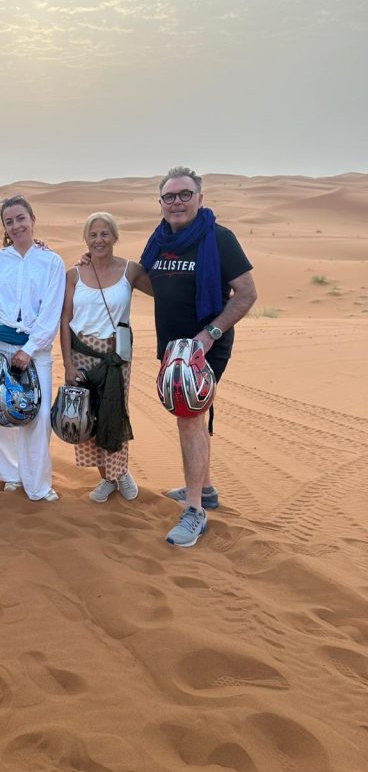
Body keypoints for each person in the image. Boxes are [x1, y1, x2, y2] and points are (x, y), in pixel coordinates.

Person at [141, 166, 256, 546]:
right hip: (172, 345)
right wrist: (97, 261)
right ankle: (204, 489)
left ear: (200, 199)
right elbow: (150, 281)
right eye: (169, 196)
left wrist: (209, 336)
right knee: (191, 415)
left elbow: (246, 293)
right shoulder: (159, 240)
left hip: (206, 345)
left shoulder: (219, 238)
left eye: (185, 194)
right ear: (161, 203)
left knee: (189, 416)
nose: (177, 202)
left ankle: (194, 511)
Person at [0, 196, 66, 501]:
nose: (16, 226)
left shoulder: (52, 262)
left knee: (37, 416)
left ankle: (37, 485)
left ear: (32, 219)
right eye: (9, 221)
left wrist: (29, 348)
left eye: (20, 219)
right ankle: (10, 475)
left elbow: (51, 311)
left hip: (36, 350)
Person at [60, 212, 152, 504]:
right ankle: (106, 478)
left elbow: (163, 289)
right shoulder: (74, 274)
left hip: (116, 358)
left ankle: (120, 472)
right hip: (81, 354)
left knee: (114, 414)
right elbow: (65, 320)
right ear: (86, 239)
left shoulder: (130, 271)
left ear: (114, 237)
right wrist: (68, 364)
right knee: (86, 417)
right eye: (93, 235)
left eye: (104, 234)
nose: (99, 240)